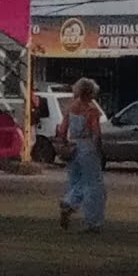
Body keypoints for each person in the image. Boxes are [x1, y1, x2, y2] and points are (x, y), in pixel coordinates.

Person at [55, 77, 106, 233]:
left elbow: (63, 130)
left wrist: (64, 144)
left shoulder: (71, 108)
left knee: (76, 180)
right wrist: (99, 150)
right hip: (88, 147)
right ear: (90, 93)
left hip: (73, 146)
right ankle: (93, 221)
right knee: (93, 184)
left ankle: (69, 201)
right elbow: (96, 133)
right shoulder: (91, 110)